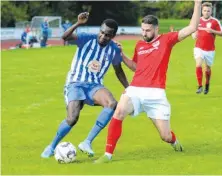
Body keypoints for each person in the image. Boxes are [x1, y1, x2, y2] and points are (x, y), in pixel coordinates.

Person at [95, 0, 202, 163]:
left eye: (147, 30)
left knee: (165, 136)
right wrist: (122, 55)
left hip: (156, 94)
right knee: (119, 111)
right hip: (136, 89)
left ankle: (174, 141)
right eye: (142, 30)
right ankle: (108, 154)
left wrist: (197, 3)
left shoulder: (167, 40)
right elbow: (136, 67)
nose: (144, 33)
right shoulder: (139, 45)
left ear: (156, 29)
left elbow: (192, 27)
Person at [41, 12, 129, 158]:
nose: (102, 36)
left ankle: (87, 142)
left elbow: (118, 71)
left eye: (107, 35)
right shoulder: (86, 38)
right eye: (101, 32)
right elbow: (65, 37)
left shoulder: (114, 49)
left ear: (113, 36)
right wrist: (78, 24)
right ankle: (51, 146)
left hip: (95, 86)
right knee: (72, 118)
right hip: (75, 83)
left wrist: (129, 88)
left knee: (112, 103)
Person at [192, 2, 222, 94]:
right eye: (205, 11)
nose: (206, 12)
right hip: (199, 48)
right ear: (202, 11)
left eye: (208, 11)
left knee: (207, 69)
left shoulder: (214, 22)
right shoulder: (197, 20)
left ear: (211, 12)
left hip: (210, 50)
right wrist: (193, 34)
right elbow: (192, 30)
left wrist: (212, 31)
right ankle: (199, 86)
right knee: (198, 65)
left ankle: (207, 84)